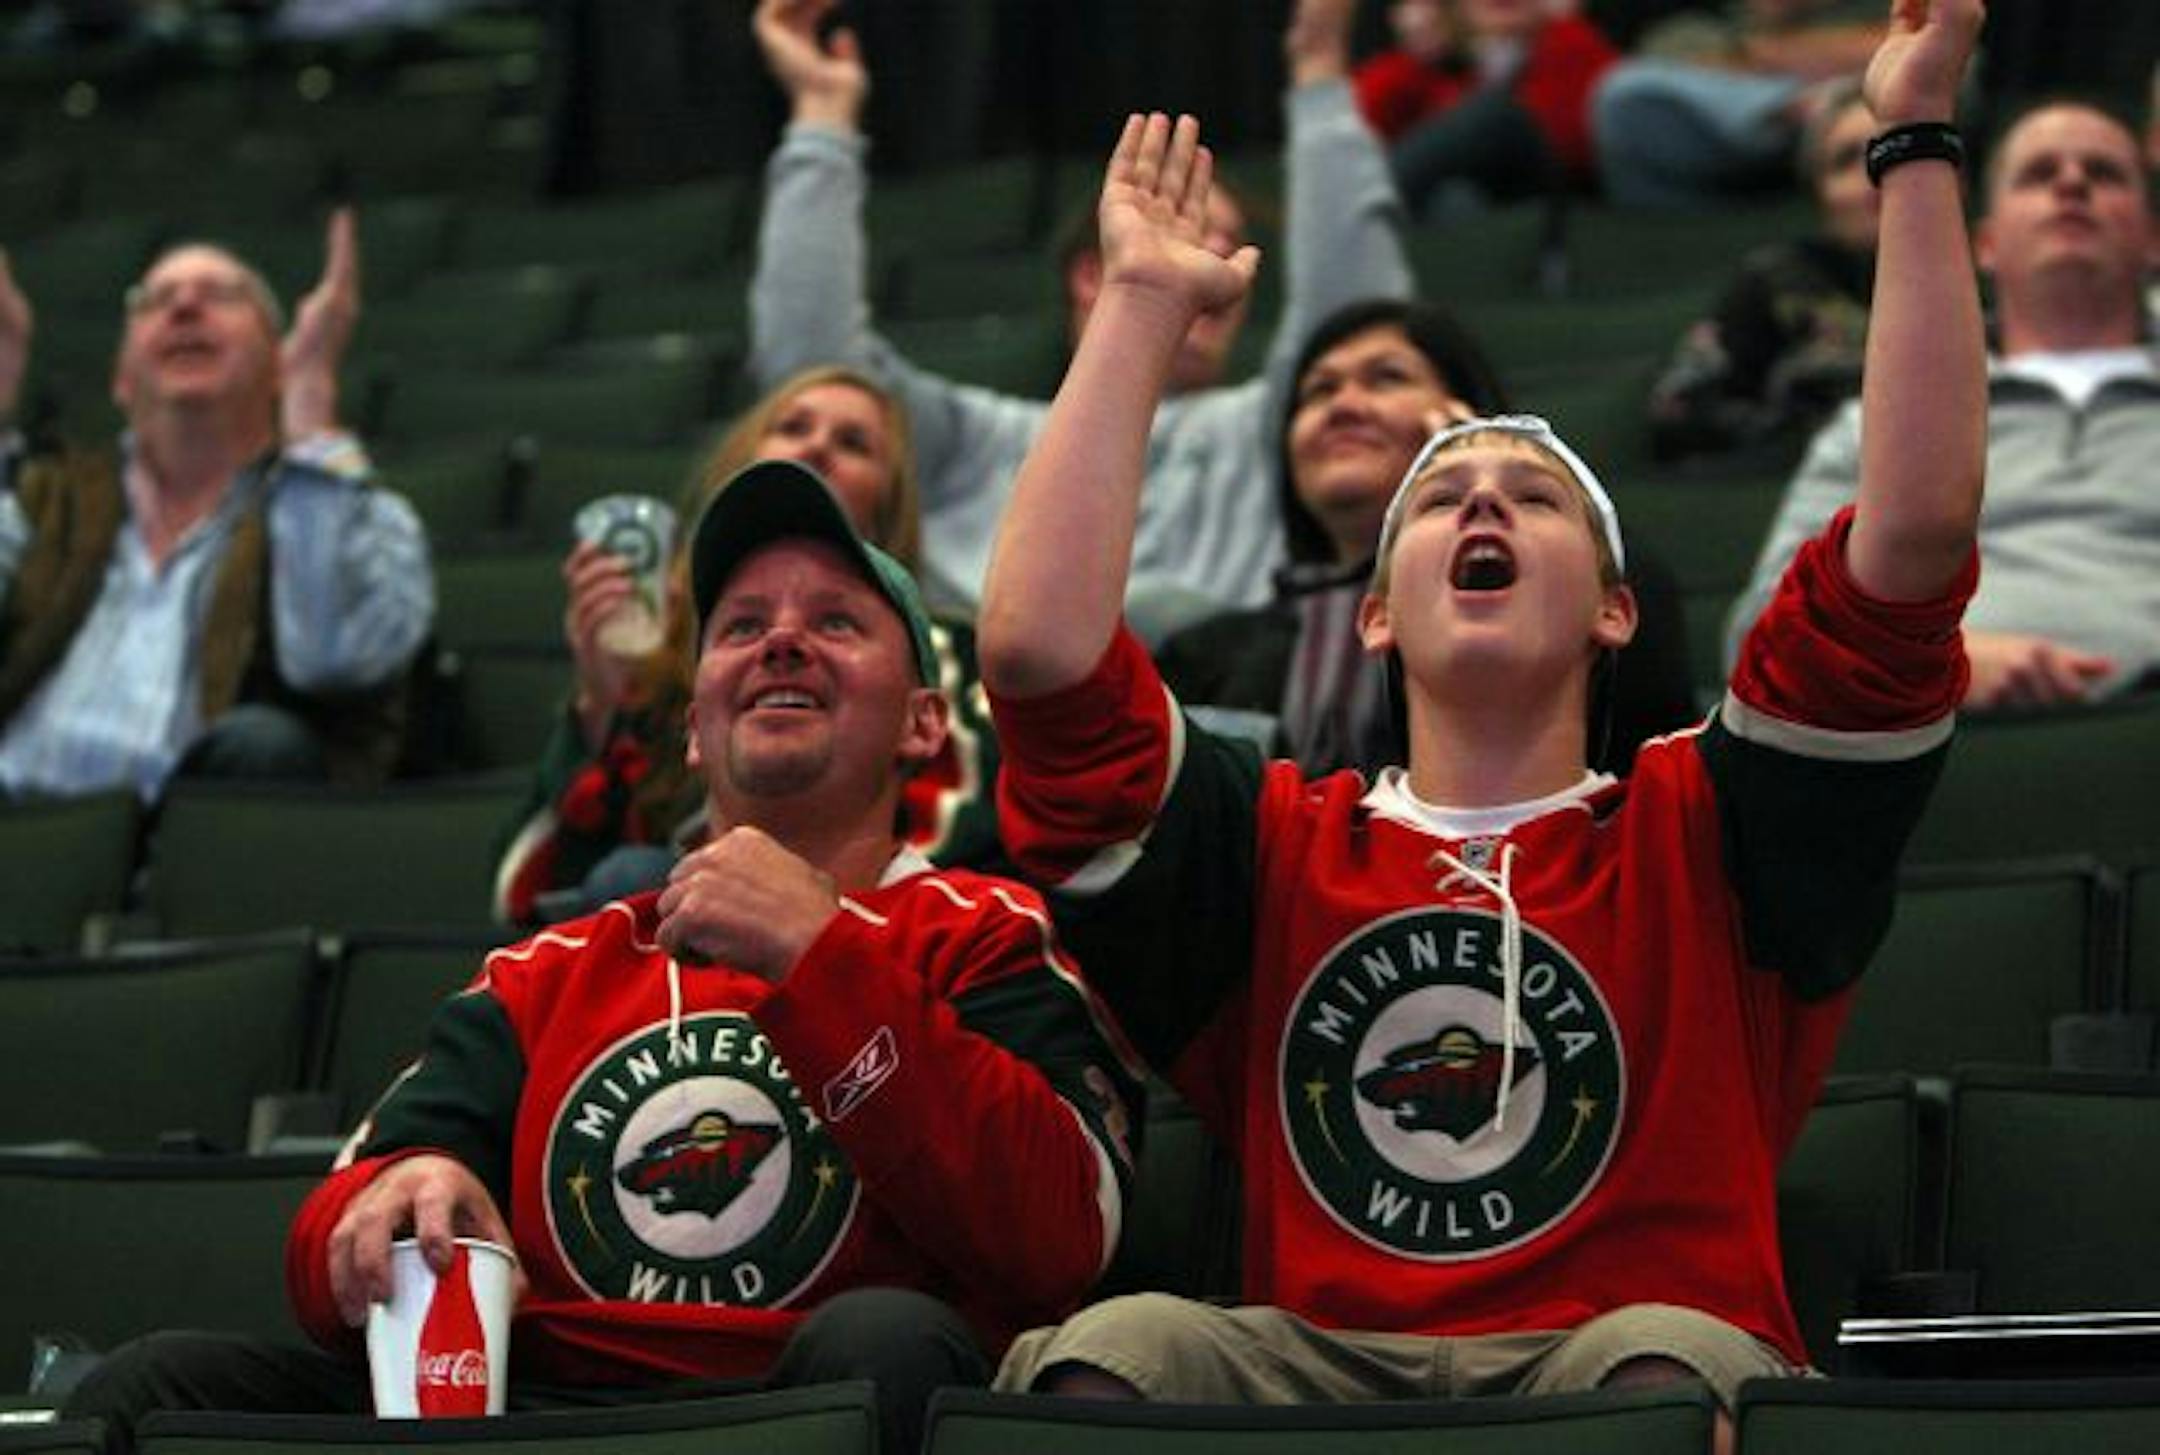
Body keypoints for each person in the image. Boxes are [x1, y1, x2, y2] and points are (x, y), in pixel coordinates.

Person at [975, 0, 1985, 1446]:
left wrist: (1914, 139)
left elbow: (1918, 530)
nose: (1483, 500)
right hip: (1322, 1368)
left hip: (1623, 1362)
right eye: (1440, 499)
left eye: (1535, 493)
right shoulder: (1270, 840)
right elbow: (1039, 657)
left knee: (1665, 1369)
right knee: (1116, 1351)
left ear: (1616, 609)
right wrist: (1141, 303)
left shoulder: (1716, 819)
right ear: (1377, 613)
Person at [64, 458, 1142, 1455]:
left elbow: (1063, 1235)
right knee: (159, 1389)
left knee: (891, 1341)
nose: (781, 642)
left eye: (838, 623)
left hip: (813, 1398)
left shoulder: (983, 930)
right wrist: (409, 1185)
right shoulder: (553, 968)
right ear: (691, 727)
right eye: (742, 626)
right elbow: (332, 1249)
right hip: (544, 1412)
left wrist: (822, 955)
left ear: (922, 725)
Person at [747, 0, 1412, 620]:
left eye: (1228, 246)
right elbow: (815, 372)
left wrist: (1321, 70)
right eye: (1182, 231)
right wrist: (822, 117)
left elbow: (1360, 328)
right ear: (1092, 276)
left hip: (1227, 724)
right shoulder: (978, 443)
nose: (1208, 260)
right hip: (997, 726)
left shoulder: (1280, 436)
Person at [493, 364, 1002, 927]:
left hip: (867, 935)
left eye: (853, 442)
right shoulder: (664, 662)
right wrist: (606, 704)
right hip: (664, 962)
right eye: (793, 427)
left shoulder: (937, 649)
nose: (816, 446)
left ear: (889, 504)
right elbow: (525, 900)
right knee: (627, 880)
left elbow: (960, 849)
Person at [1729, 94, 2159, 710]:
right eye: (2039, 174)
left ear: (2152, 239)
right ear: (1983, 246)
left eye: (2104, 173)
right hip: (1928, 735)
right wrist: (1948, 665)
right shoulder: (1877, 424)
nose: (2071, 182)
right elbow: (1758, 637)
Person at [1155, 295, 1698, 778]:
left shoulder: (1579, 609)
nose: (1342, 405)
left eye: (1386, 378)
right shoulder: (1209, 651)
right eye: (1318, 391)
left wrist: (1487, 460)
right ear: (1376, 619)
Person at [0, 211, 432, 798]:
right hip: (18, 820)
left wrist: (308, 414)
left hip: (195, 843)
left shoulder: (354, 516)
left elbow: (336, 663)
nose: (184, 308)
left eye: (222, 297)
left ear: (279, 364)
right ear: (121, 378)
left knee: (266, 744)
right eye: (156, 300)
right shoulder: (43, 497)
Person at [1647, 78, 1878, 462]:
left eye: (1893, 151)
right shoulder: (1779, 280)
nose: (1874, 173)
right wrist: (1811, 434)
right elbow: (1679, 409)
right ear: (1819, 197)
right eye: (1845, 161)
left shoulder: (1992, 279)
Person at [1592, 0, 1886, 210]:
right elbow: (1684, 79)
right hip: (1738, 155)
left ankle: (1833, 109)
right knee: (1624, 92)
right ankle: (1817, 107)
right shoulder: (1694, 26)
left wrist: (1761, 57)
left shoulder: (1881, 9)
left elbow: (1910, 52)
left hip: (1875, 130)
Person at [1353, 0, 1619, 215]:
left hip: (1565, 212)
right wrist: (1415, 57)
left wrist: (1558, 26)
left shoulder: (1571, 42)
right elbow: (1360, 122)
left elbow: (1567, 144)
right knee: (1452, 198)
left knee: (1494, 117)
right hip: (1487, 235)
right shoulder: (1436, 76)